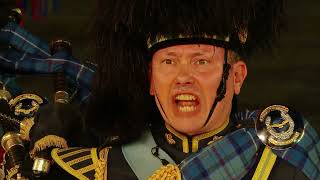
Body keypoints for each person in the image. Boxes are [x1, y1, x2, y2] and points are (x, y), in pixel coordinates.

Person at [5, 0, 320, 179]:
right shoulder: (97, 168)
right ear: (151, 80)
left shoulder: (285, 161)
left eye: (200, 62)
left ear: (236, 76)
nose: (183, 77)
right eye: (169, 62)